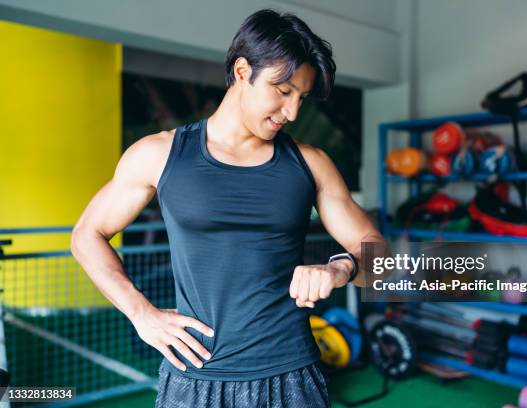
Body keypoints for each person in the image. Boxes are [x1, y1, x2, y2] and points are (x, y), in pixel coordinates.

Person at [71, 9, 385, 408]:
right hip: (196, 373)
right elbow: (86, 236)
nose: (292, 113)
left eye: (301, 98)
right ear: (242, 71)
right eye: (283, 90)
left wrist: (341, 268)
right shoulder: (160, 154)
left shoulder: (311, 163)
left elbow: (379, 254)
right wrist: (141, 313)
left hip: (291, 375)